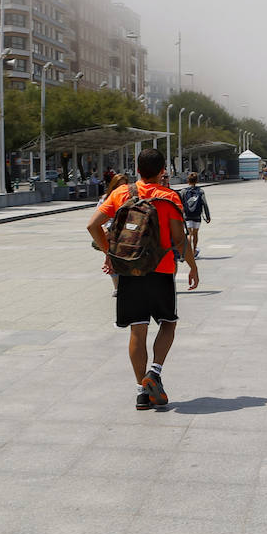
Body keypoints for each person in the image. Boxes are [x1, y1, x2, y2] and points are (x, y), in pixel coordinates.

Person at [86, 148, 198, 410]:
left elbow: (92, 225)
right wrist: (192, 266)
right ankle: (155, 372)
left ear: (137, 169)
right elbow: (179, 240)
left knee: (138, 329)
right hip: (161, 270)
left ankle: (141, 393)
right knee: (168, 323)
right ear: (162, 171)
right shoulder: (169, 197)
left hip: (129, 270)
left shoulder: (121, 193)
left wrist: (110, 253)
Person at [180, 172, 212, 258]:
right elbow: (205, 203)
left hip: (187, 215)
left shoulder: (183, 191)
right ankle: (194, 251)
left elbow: (180, 204)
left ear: (188, 180)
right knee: (195, 233)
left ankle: (188, 252)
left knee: (189, 234)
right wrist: (207, 216)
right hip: (197, 215)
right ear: (197, 181)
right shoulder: (200, 191)